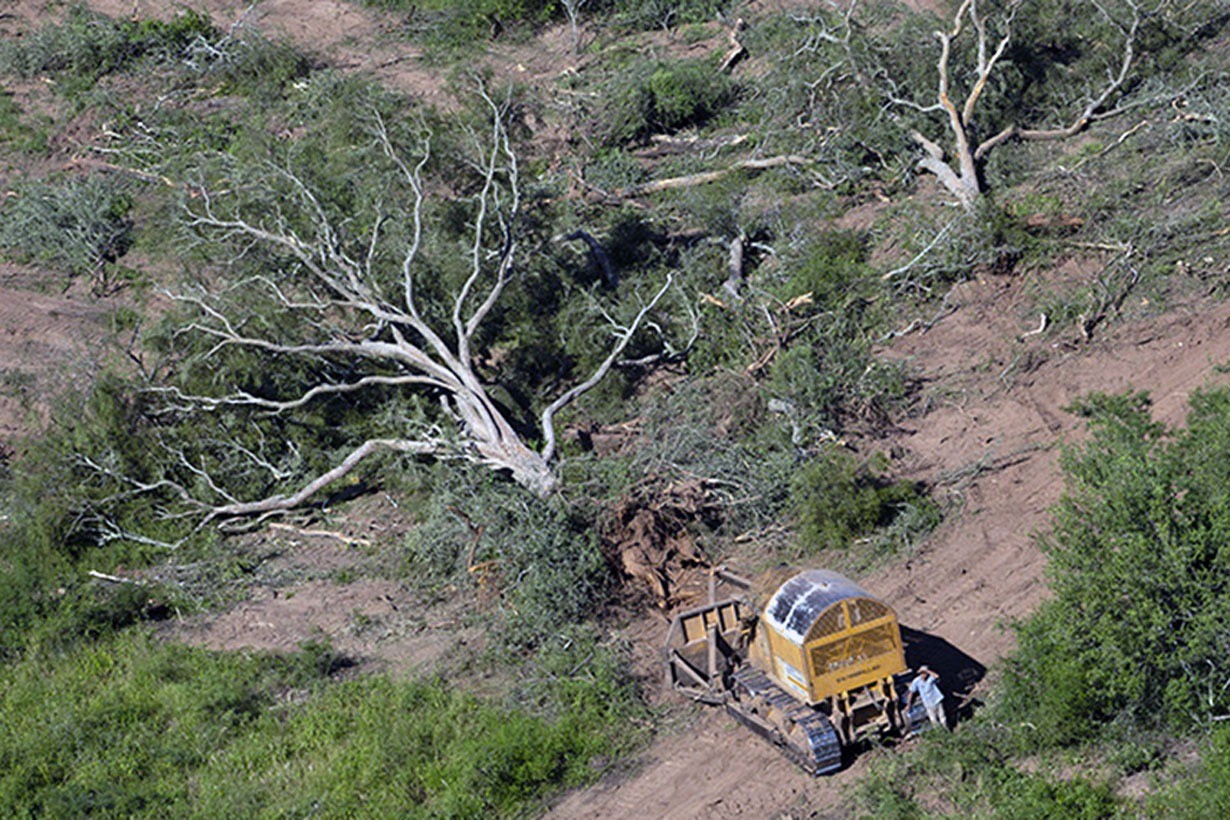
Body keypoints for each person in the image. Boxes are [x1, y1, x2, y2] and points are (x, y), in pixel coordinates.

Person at [905, 665, 947, 731]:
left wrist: (927, 671)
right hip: (928, 704)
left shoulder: (931, 678)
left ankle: (946, 730)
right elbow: (911, 692)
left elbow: (937, 676)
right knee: (933, 720)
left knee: (942, 718)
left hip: (936, 700)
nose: (923, 675)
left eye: (924, 673)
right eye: (922, 673)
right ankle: (940, 733)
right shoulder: (916, 681)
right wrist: (908, 704)